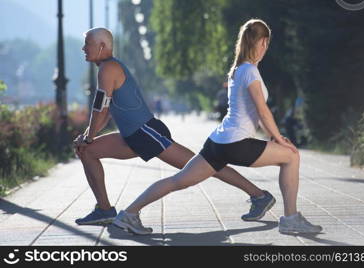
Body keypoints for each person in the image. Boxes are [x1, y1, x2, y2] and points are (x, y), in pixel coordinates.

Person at [113, 19, 323, 235]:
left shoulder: (238, 70)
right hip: (237, 143)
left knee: (179, 180)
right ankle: (290, 219)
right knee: (291, 157)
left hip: (218, 142)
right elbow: (262, 110)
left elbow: (254, 112)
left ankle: (128, 214)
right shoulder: (250, 71)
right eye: (266, 44)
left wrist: (272, 136)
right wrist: (279, 138)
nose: (265, 48)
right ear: (263, 42)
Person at [73, 27, 275, 225]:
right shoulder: (106, 68)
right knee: (87, 151)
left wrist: (88, 136)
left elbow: (100, 109)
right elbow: (105, 111)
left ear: (101, 46)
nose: (83, 48)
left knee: (205, 165)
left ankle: (258, 195)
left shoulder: (109, 68)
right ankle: (104, 209)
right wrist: (87, 137)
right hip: (131, 136)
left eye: (87, 44)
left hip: (146, 133)